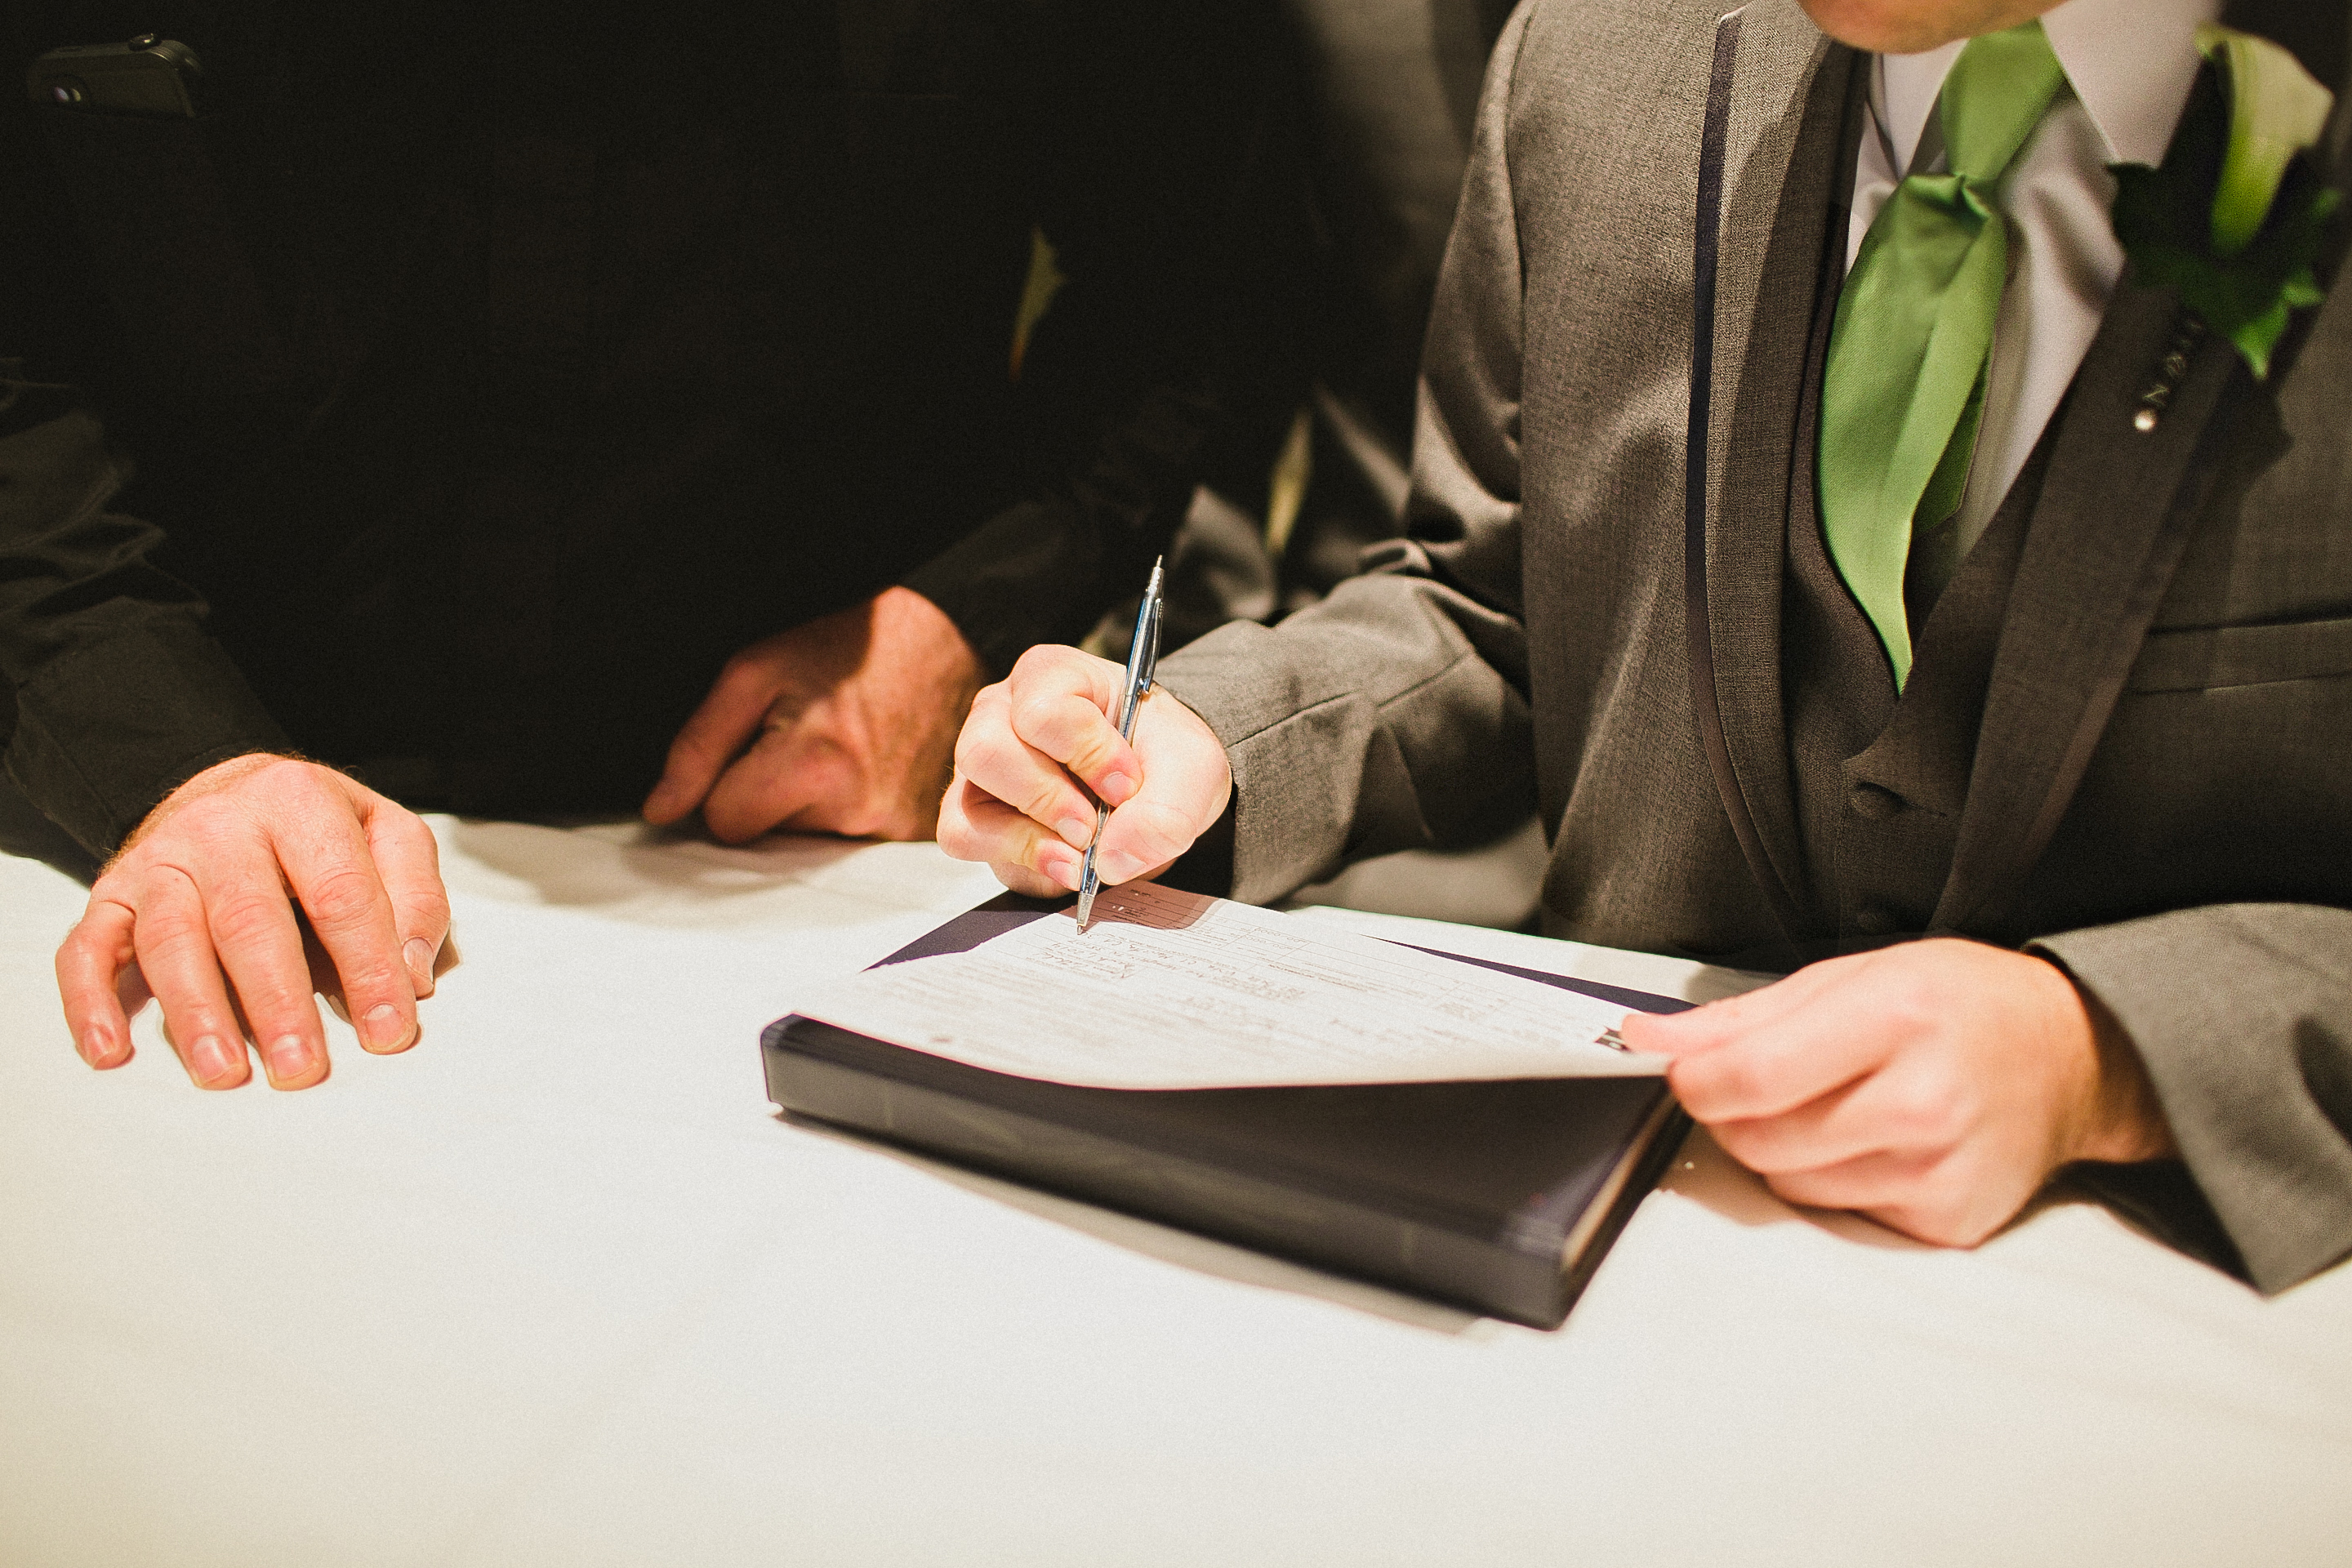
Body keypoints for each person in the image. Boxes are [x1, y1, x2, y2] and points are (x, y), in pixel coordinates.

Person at [941, 0, 2352, 1294]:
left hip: (2178, 1293)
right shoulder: (1600, 54)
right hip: (1612, 1250)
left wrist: (2108, 1056)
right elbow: (1494, 600)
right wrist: (1214, 740)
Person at [2, 0, 1285, 1091]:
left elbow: (1186, 286)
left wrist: (955, 619)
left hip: (807, 859)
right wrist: (162, 744)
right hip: (133, 800)